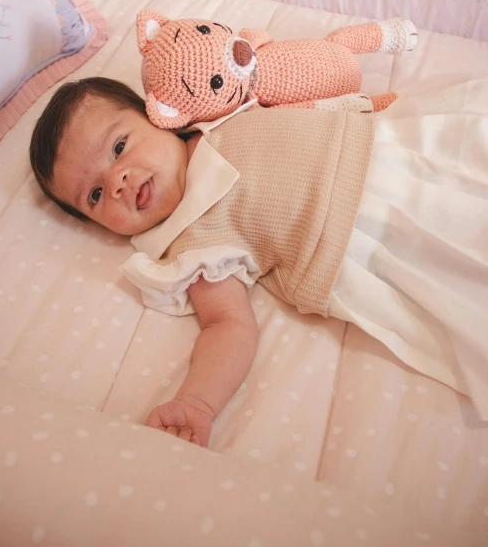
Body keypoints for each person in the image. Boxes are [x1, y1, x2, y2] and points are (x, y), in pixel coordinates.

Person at [30, 75, 488, 447]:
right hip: (364, 239)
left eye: (118, 147)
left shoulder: (214, 108)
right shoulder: (189, 243)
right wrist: (198, 402)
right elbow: (227, 326)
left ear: (157, 117)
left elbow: (279, 79)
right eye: (93, 195)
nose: (117, 181)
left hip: (389, 145)